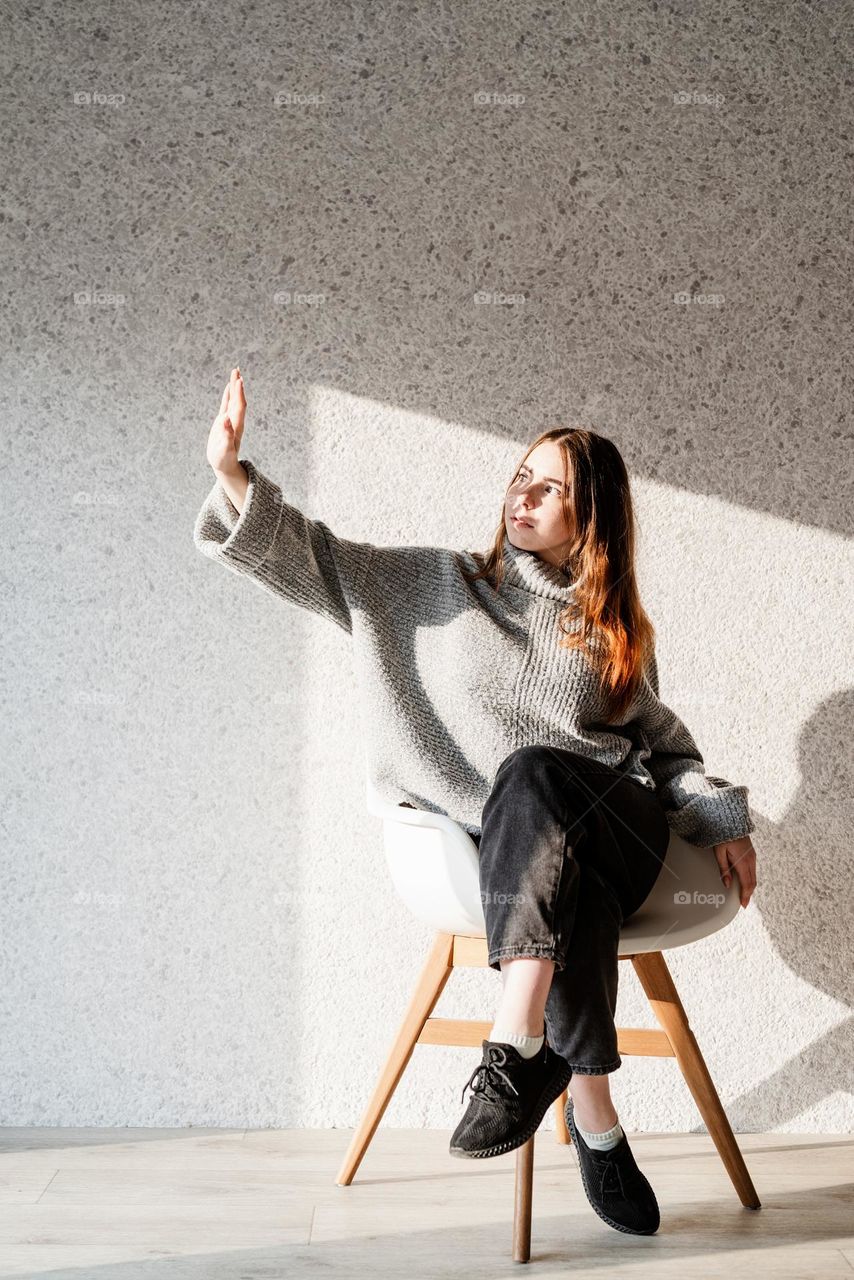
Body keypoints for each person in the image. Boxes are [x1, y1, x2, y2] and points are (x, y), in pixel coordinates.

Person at [194, 367, 758, 1237]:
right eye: (518, 475)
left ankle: (514, 1047)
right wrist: (233, 472)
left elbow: (668, 750)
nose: (521, 494)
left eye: (549, 486)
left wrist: (722, 817)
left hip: (625, 828)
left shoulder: (613, 633)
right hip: (519, 858)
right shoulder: (434, 584)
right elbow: (318, 562)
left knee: (537, 772)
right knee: (562, 870)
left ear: (591, 515)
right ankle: (595, 1114)